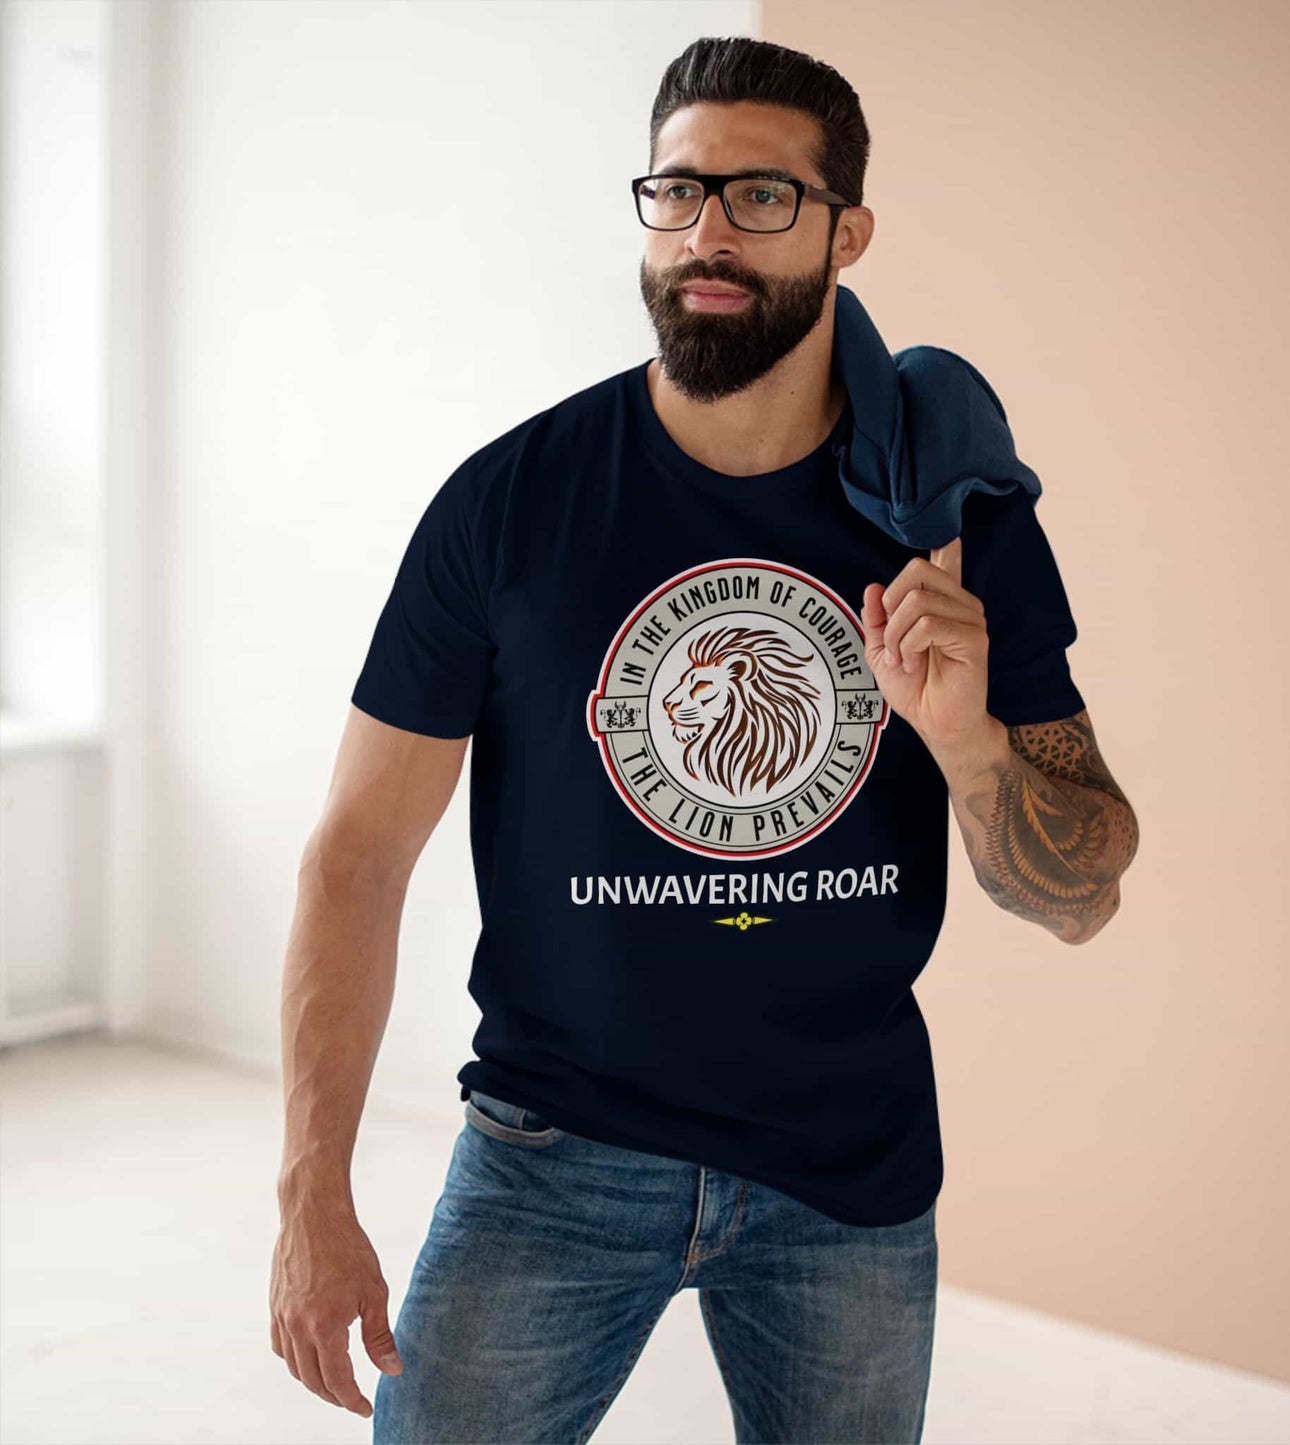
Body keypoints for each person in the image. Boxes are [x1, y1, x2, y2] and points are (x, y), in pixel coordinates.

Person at [269, 34, 1138, 1445]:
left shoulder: (948, 518)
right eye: (674, 194)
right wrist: (312, 1200)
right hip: (551, 1153)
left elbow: (1082, 890)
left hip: (841, 1173)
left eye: (760, 197)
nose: (706, 233)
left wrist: (964, 738)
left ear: (847, 230)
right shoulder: (511, 505)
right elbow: (357, 855)